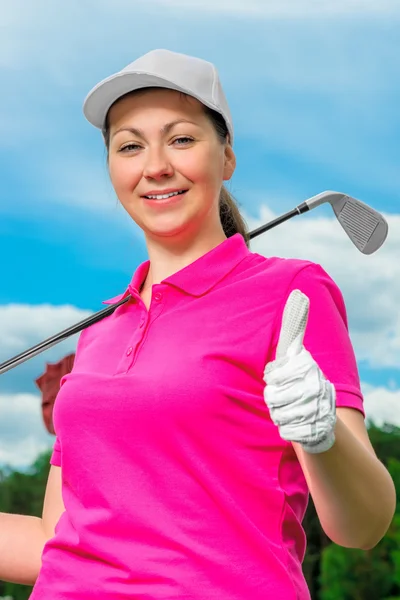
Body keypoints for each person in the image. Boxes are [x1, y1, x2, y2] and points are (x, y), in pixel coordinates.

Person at [0, 49, 395, 600]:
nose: (155, 165)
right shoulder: (99, 332)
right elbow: (57, 540)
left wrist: (323, 438)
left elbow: (363, 524)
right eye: (130, 145)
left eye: (181, 139)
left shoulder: (290, 291)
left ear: (226, 156)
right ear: (113, 168)